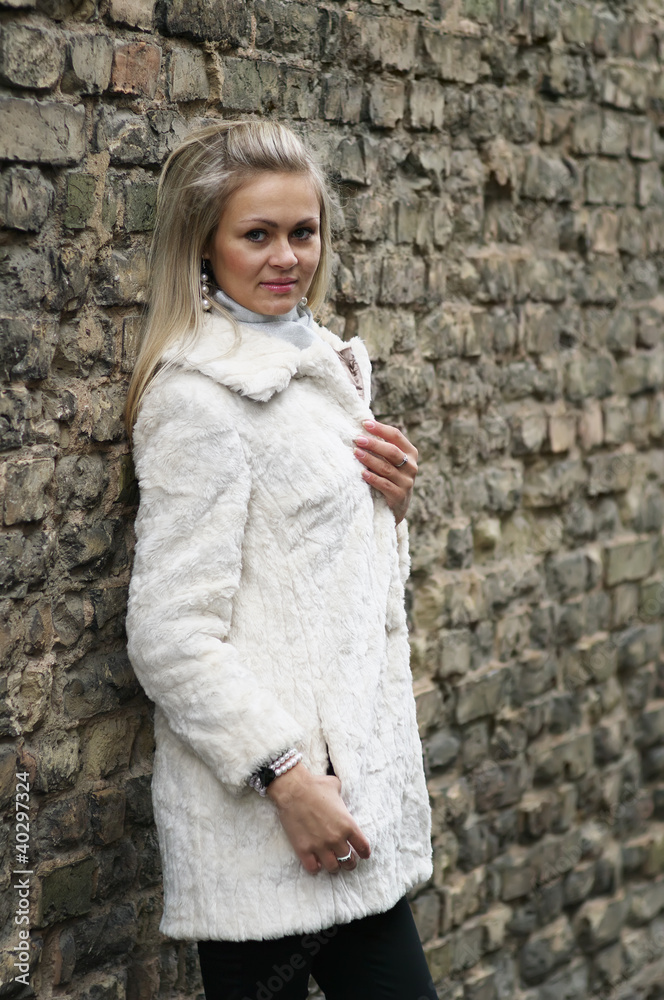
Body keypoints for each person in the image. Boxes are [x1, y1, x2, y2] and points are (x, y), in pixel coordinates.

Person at [124, 120, 436, 1000]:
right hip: (272, 824)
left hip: (346, 809)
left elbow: (331, 591)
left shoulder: (321, 368)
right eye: (256, 234)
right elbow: (169, 634)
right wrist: (285, 777)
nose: (287, 257)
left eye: (303, 232)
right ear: (204, 247)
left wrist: (392, 510)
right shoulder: (199, 401)